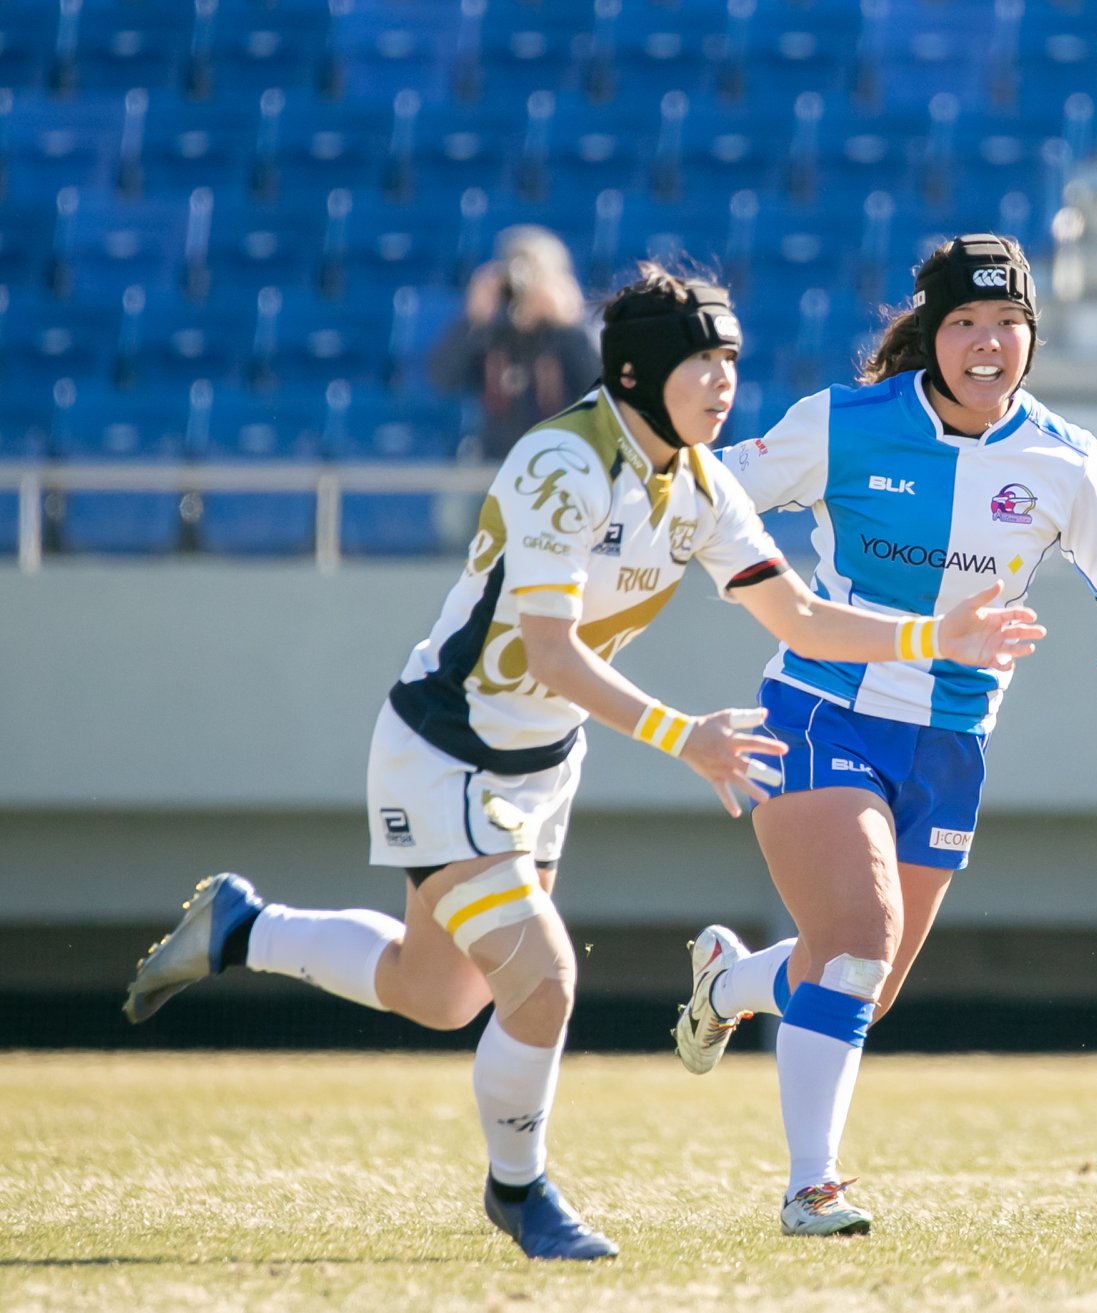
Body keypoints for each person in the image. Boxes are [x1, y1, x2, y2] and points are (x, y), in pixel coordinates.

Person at [121, 260, 1043, 1261]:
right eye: (702, 361)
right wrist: (686, 735)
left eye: (731, 361)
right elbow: (553, 652)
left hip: (541, 761)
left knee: (440, 993)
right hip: (445, 748)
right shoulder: (561, 463)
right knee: (545, 979)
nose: (725, 383)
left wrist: (933, 638)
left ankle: (242, 927)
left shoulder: (702, 483)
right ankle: (521, 1193)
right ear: (637, 372)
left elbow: (801, 617)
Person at [666, 233, 1097, 1237]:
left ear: (1032, 338)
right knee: (859, 944)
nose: (987, 342)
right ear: (930, 334)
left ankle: (733, 981)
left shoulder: (1067, 459)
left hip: (950, 743)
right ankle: (811, 1185)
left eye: (1008, 322)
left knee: (860, 982)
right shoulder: (840, 423)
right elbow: (708, 492)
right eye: (965, 321)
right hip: (820, 708)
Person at [428, 225, 602, 463]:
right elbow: (442, 380)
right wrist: (473, 320)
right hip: (497, 462)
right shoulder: (490, 334)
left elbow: (600, 392)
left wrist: (570, 324)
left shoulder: (570, 335)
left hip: (565, 460)